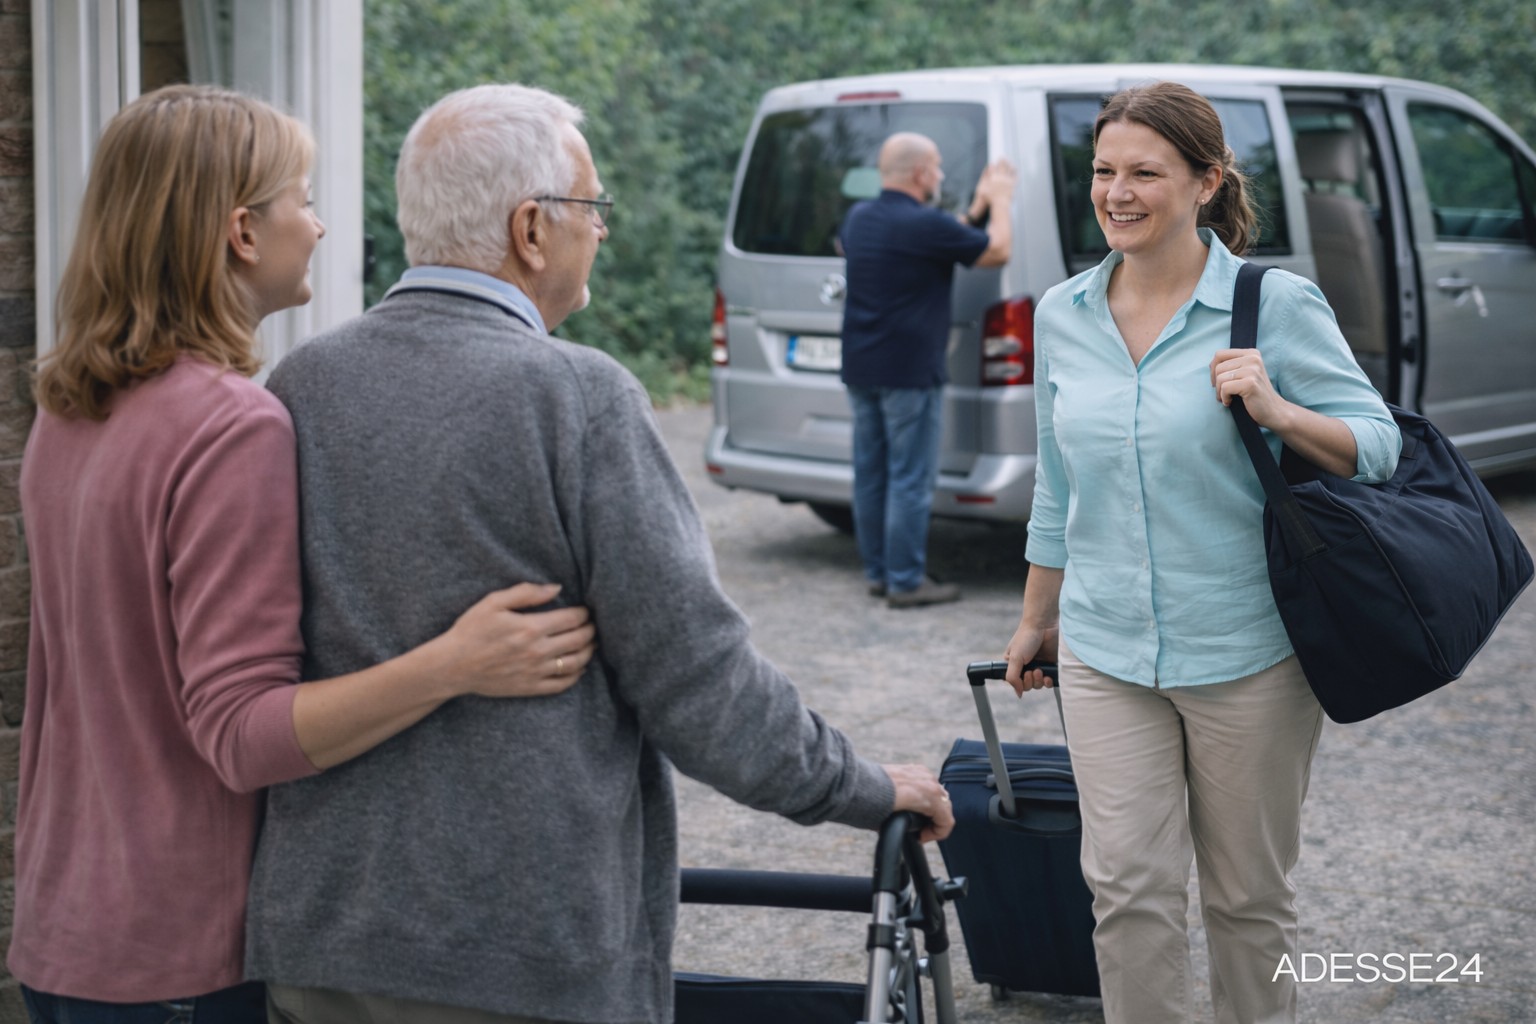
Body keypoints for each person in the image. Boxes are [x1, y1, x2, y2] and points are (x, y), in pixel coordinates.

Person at [242, 83, 954, 1024]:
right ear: (531, 229)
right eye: (593, 209)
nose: (602, 233)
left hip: (322, 944)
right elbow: (696, 681)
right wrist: (857, 785)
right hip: (518, 957)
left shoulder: (297, 384)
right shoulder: (576, 395)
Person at [9, 85, 596, 1024]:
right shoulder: (230, 425)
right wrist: (459, 663)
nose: (321, 227)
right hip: (186, 957)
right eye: (305, 200)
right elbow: (243, 735)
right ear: (243, 231)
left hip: (64, 931)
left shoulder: (71, 411)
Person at [1002, 82, 1400, 1024]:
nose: (1118, 192)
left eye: (1146, 172)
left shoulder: (1272, 304)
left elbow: (1379, 447)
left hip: (1247, 652)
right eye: (1105, 171)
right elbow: (1059, 485)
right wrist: (1035, 619)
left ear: (1206, 181)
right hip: (1106, 652)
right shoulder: (1062, 314)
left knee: (1246, 901)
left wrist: (1279, 410)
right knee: (1128, 893)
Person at [837, 132, 1017, 609]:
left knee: (871, 474)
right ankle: (906, 581)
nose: (940, 175)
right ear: (920, 174)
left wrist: (975, 209)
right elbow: (997, 251)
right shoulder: (923, 226)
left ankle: (880, 573)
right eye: (937, 167)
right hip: (909, 372)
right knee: (910, 479)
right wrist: (999, 202)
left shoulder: (860, 218)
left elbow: (941, 237)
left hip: (861, 367)